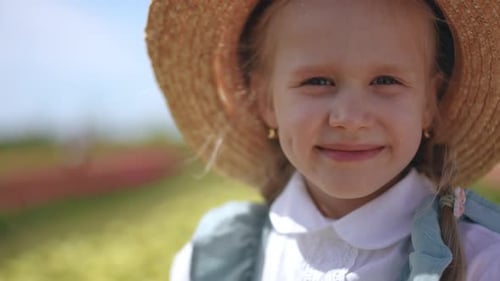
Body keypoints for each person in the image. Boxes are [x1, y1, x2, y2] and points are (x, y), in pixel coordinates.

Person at [145, 0, 500, 280]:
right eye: (317, 81)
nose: (349, 118)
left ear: (429, 102)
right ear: (266, 101)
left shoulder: (482, 261)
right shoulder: (211, 261)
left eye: (386, 81)